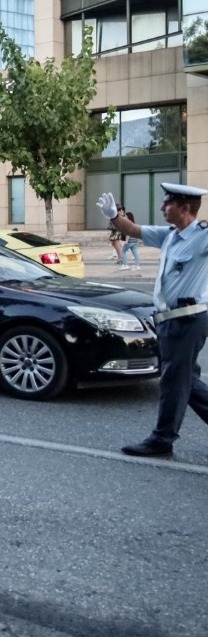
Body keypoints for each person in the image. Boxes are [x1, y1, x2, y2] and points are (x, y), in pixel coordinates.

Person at [99, 185, 208, 457]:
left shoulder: (203, 237)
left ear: (184, 207)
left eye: (167, 203)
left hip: (188, 319)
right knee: (185, 380)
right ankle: (163, 437)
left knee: (173, 381)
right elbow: (133, 231)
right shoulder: (170, 235)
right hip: (168, 320)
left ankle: (162, 439)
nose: (162, 208)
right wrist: (113, 217)